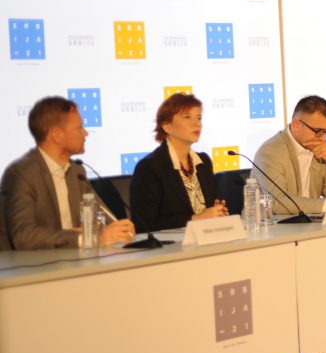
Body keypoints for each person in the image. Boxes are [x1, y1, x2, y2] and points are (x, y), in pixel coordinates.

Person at [0, 96, 135, 250]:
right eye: (79, 128)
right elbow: (24, 236)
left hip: (74, 259)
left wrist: (119, 228)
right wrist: (85, 238)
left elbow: (101, 217)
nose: (86, 133)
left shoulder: (76, 171)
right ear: (56, 135)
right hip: (33, 264)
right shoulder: (21, 174)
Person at [129, 93, 228, 232]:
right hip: (170, 244)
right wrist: (197, 219)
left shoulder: (203, 162)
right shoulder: (149, 167)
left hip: (206, 237)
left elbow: (206, 210)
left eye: (199, 118)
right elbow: (145, 224)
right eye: (187, 117)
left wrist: (217, 212)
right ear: (167, 126)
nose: (197, 123)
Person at [253, 95, 326, 216]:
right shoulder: (270, 152)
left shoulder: (322, 148)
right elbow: (279, 203)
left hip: (311, 222)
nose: (323, 138)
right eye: (318, 131)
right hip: (274, 224)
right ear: (296, 125)